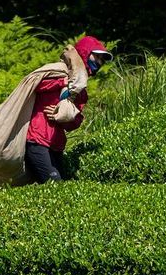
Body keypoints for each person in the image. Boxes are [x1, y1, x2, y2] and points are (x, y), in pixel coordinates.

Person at [24, 36, 111, 183]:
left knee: (60, 189)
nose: (99, 62)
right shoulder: (59, 71)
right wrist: (65, 82)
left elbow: (75, 121)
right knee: (55, 186)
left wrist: (65, 117)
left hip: (56, 145)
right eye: (96, 56)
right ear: (85, 52)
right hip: (37, 139)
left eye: (102, 60)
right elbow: (35, 84)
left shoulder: (81, 91)